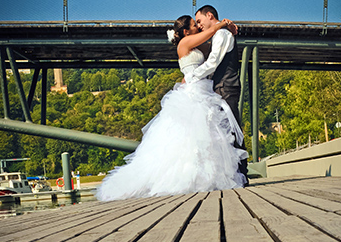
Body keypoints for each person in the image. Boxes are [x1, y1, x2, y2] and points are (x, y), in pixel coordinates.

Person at [95, 16, 249, 201]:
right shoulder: (185, 43)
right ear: (186, 32)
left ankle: (205, 176)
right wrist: (222, 24)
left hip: (203, 89)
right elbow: (210, 33)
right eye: (194, 25)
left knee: (206, 135)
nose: (198, 26)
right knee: (189, 134)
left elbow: (214, 47)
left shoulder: (197, 45)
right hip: (194, 91)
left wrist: (226, 33)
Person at [189, 5, 249, 186]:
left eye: (199, 21)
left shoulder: (222, 34)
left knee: (231, 130)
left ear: (209, 15)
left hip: (226, 87)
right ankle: (234, 174)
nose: (199, 26)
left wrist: (193, 76)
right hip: (222, 87)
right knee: (224, 132)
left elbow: (214, 62)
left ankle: (242, 175)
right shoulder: (219, 33)